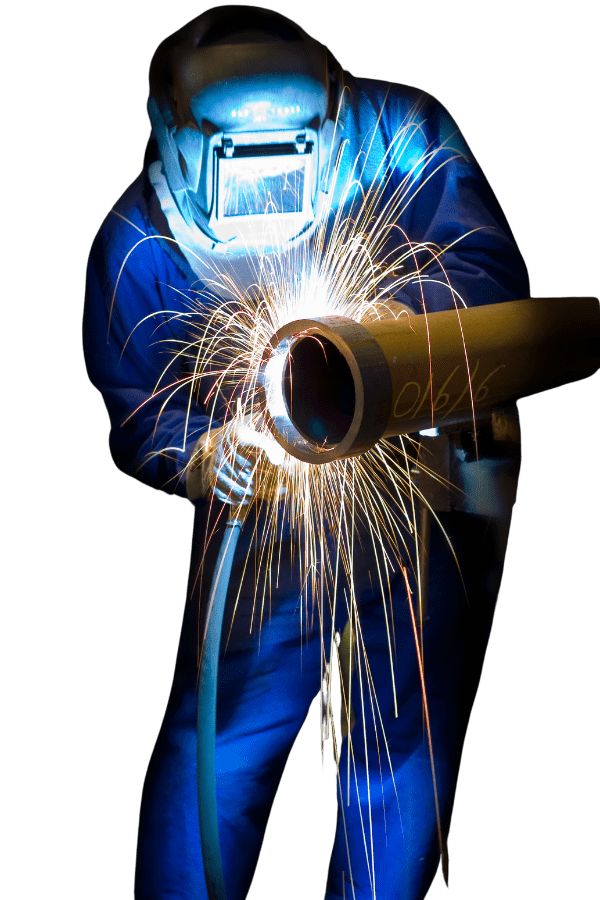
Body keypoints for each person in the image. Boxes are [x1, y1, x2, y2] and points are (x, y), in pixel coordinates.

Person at [82, 6, 530, 899]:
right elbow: (135, 404)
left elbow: (491, 273)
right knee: (221, 743)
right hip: (270, 510)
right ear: (180, 149)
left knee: (398, 749)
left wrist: (400, 329)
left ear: (330, 125)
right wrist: (200, 451)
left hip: (414, 494)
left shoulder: (401, 137)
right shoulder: (136, 245)